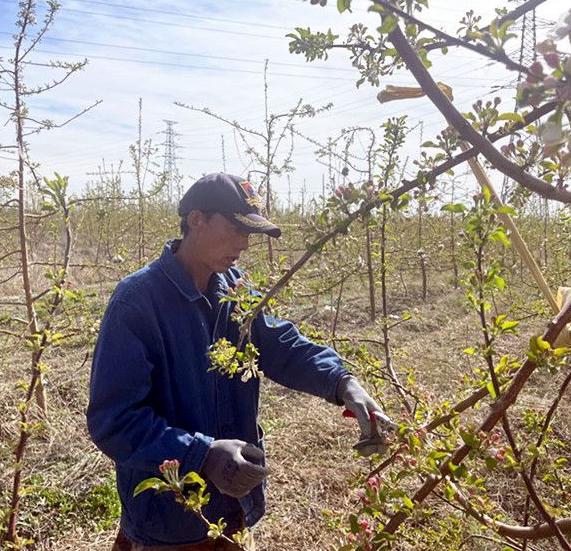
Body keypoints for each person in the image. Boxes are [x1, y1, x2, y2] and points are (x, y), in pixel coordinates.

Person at [87, 173, 388, 550]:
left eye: (250, 233)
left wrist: (343, 382)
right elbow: (114, 421)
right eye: (235, 229)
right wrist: (202, 455)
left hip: (233, 504)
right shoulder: (136, 302)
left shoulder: (234, 286)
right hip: (169, 519)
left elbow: (282, 345)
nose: (245, 244)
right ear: (196, 220)